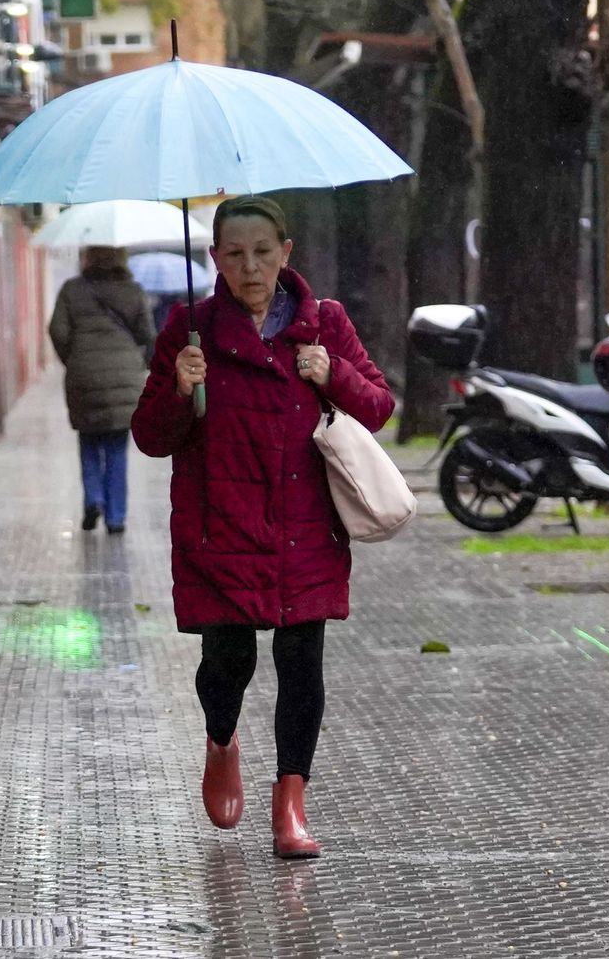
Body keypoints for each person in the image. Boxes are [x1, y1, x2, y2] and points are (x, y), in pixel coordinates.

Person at [130, 196, 394, 859]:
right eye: (235, 253)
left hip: (306, 529)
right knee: (229, 662)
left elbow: (380, 406)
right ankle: (222, 741)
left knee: (301, 663)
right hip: (220, 527)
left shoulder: (324, 323)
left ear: (286, 253)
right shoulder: (189, 330)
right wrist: (177, 389)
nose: (251, 267)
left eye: (263, 252)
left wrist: (332, 374)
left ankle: (291, 804)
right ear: (215, 259)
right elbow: (151, 438)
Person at [49, 244, 156, 535]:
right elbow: (147, 335)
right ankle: (116, 517)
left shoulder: (72, 290)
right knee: (117, 447)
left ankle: (94, 498)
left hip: (83, 376)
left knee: (88, 440)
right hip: (124, 376)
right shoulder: (132, 290)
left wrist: (73, 360)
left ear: (88, 257)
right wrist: (142, 363)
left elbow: (57, 330)